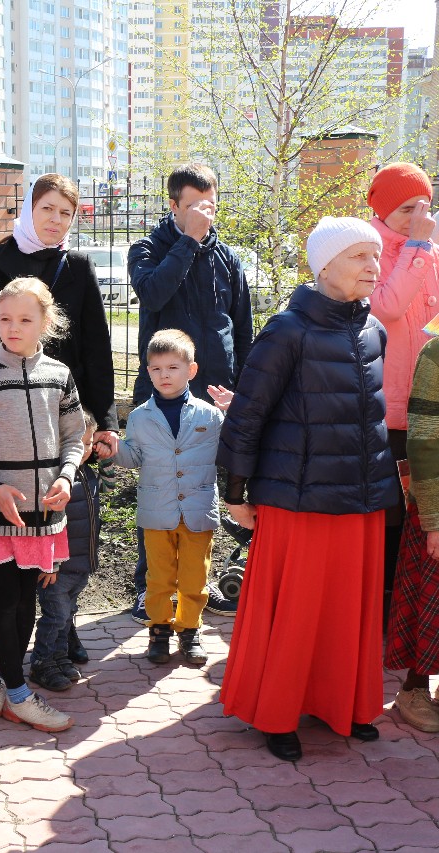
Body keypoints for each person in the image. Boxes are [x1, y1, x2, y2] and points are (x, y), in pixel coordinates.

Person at [217, 217, 394, 762]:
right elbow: (247, 416)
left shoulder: (374, 329)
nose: (373, 266)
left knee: (348, 610)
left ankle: (341, 703)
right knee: (296, 613)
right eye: (360, 256)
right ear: (324, 265)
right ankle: (277, 712)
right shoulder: (287, 331)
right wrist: (235, 492)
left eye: (376, 255)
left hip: (360, 500)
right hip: (299, 501)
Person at [126, 163, 253, 623]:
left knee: (205, 495)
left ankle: (198, 585)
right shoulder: (148, 249)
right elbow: (153, 294)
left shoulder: (228, 259)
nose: (205, 213)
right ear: (174, 205)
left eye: (211, 205)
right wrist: (188, 243)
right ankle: (149, 588)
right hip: (163, 397)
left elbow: (242, 328)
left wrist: (245, 390)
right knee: (159, 490)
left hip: (214, 396)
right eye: (195, 205)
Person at [0, 275, 85, 733]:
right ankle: (18, 694)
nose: (13, 327)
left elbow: (74, 438)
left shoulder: (60, 376)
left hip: (44, 512)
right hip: (0, 512)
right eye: (5, 318)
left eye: (25, 320)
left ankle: (7, 683)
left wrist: (66, 476)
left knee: (28, 598)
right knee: (4, 597)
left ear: (45, 323)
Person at [0, 173, 117, 445]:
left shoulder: (79, 266)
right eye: (47, 208)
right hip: (6, 401)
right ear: (29, 209)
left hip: (66, 404)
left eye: (65, 213)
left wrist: (106, 422)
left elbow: (97, 347)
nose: (56, 219)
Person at [106, 330, 223, 666]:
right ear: (148, 372)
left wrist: (239, 415)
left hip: (198, 511)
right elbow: (134, 457)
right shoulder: (140, 416)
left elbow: (231, 450)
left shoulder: (210, 415)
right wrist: (113, 450)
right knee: (158, 577)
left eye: (172, 367)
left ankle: (189, 629)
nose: (164, 375)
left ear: (191, 370)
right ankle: (159, 629)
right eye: (156, 369)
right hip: (157, 512)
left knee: (195, 577)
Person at [366, 162, 439, 623]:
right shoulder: (370, 248)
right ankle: (382, 603)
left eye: (424, 207)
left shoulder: (431, 250)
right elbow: (387, 307)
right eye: (406, 209)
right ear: (383, 211)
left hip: (428, 403)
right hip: (386, 407)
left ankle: (410, 605)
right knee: (390, 511)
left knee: (423, 508)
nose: (417, 217)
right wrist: (417, 246)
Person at [27, 409, 101, 691]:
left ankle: (59, 658)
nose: (84, 449)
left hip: (81, 564)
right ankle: (41, 661)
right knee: (55, 616)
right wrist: (50, 562)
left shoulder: (88, 473)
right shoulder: (53, 478)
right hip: (57, 568)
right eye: (78, 443)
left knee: (67, 615)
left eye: (89, 442)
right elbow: (45, 526)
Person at [388, 335, 439, 732]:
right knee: (429, 597)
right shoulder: (436, 352)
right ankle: (413, 688)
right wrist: (434, 519)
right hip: (437, 500)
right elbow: (422, 437)